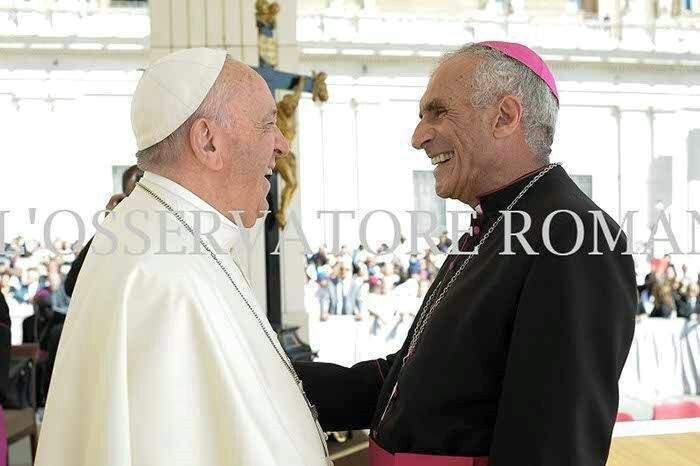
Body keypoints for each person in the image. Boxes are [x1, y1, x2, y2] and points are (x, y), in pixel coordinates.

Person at [294, 41, 636, 466]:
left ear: (504, 117)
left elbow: (554, 447)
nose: (419, 137)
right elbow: (406, 382)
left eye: (437, 112)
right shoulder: (495, 225)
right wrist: (264, 376)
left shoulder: (575, 234)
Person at [36, 48, 330, 466]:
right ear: (208, 141)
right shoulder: (164, 274)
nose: (282, 144)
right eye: (268, 125)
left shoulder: (164, 235)